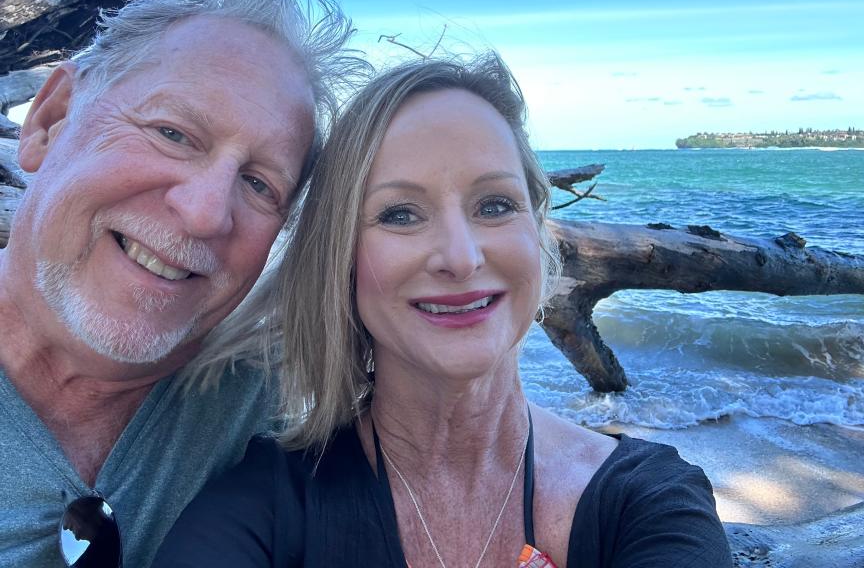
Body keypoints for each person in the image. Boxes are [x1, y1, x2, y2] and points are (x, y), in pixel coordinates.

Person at [155, 54, 733, 567]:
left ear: (536, 233)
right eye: (400, 214)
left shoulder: (649, 502)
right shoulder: (266, 508)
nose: (460, 257)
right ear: (341, 259)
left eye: (495, 205)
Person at [0, 0, 355, 567]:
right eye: (173, 133)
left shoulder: (265, 414)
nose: (205, 212)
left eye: (260, 184)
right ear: (50, 121)